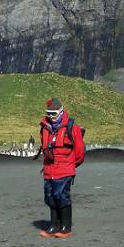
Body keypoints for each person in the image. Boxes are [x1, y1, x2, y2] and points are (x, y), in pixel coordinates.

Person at [38, 97, 84, 238]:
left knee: (61, 196)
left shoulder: (72, 128)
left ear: (61, 111)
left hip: (64, 169)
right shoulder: (44, 128)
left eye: (54, 113)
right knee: (50, 197)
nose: (51, 116)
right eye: (48, 113)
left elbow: (80, 153)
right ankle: (54, 225)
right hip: (49, 170)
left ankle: (65, 227)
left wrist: (69, 166)